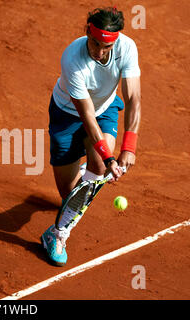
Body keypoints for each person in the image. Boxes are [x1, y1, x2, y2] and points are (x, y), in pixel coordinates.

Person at [41, 7, 141, 266]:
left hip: (105, 108)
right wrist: (110, 158)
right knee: (68, 193)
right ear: (87, 31)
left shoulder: (127, 48)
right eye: (95, 43)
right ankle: (89, 174)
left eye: (106, 47)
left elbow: (133, 99)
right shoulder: (73, 59)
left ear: (115, 41)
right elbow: (86, 116)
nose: (99, 52)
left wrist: (128, 147)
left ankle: (56, 234)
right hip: (67, 115)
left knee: (95, 171)